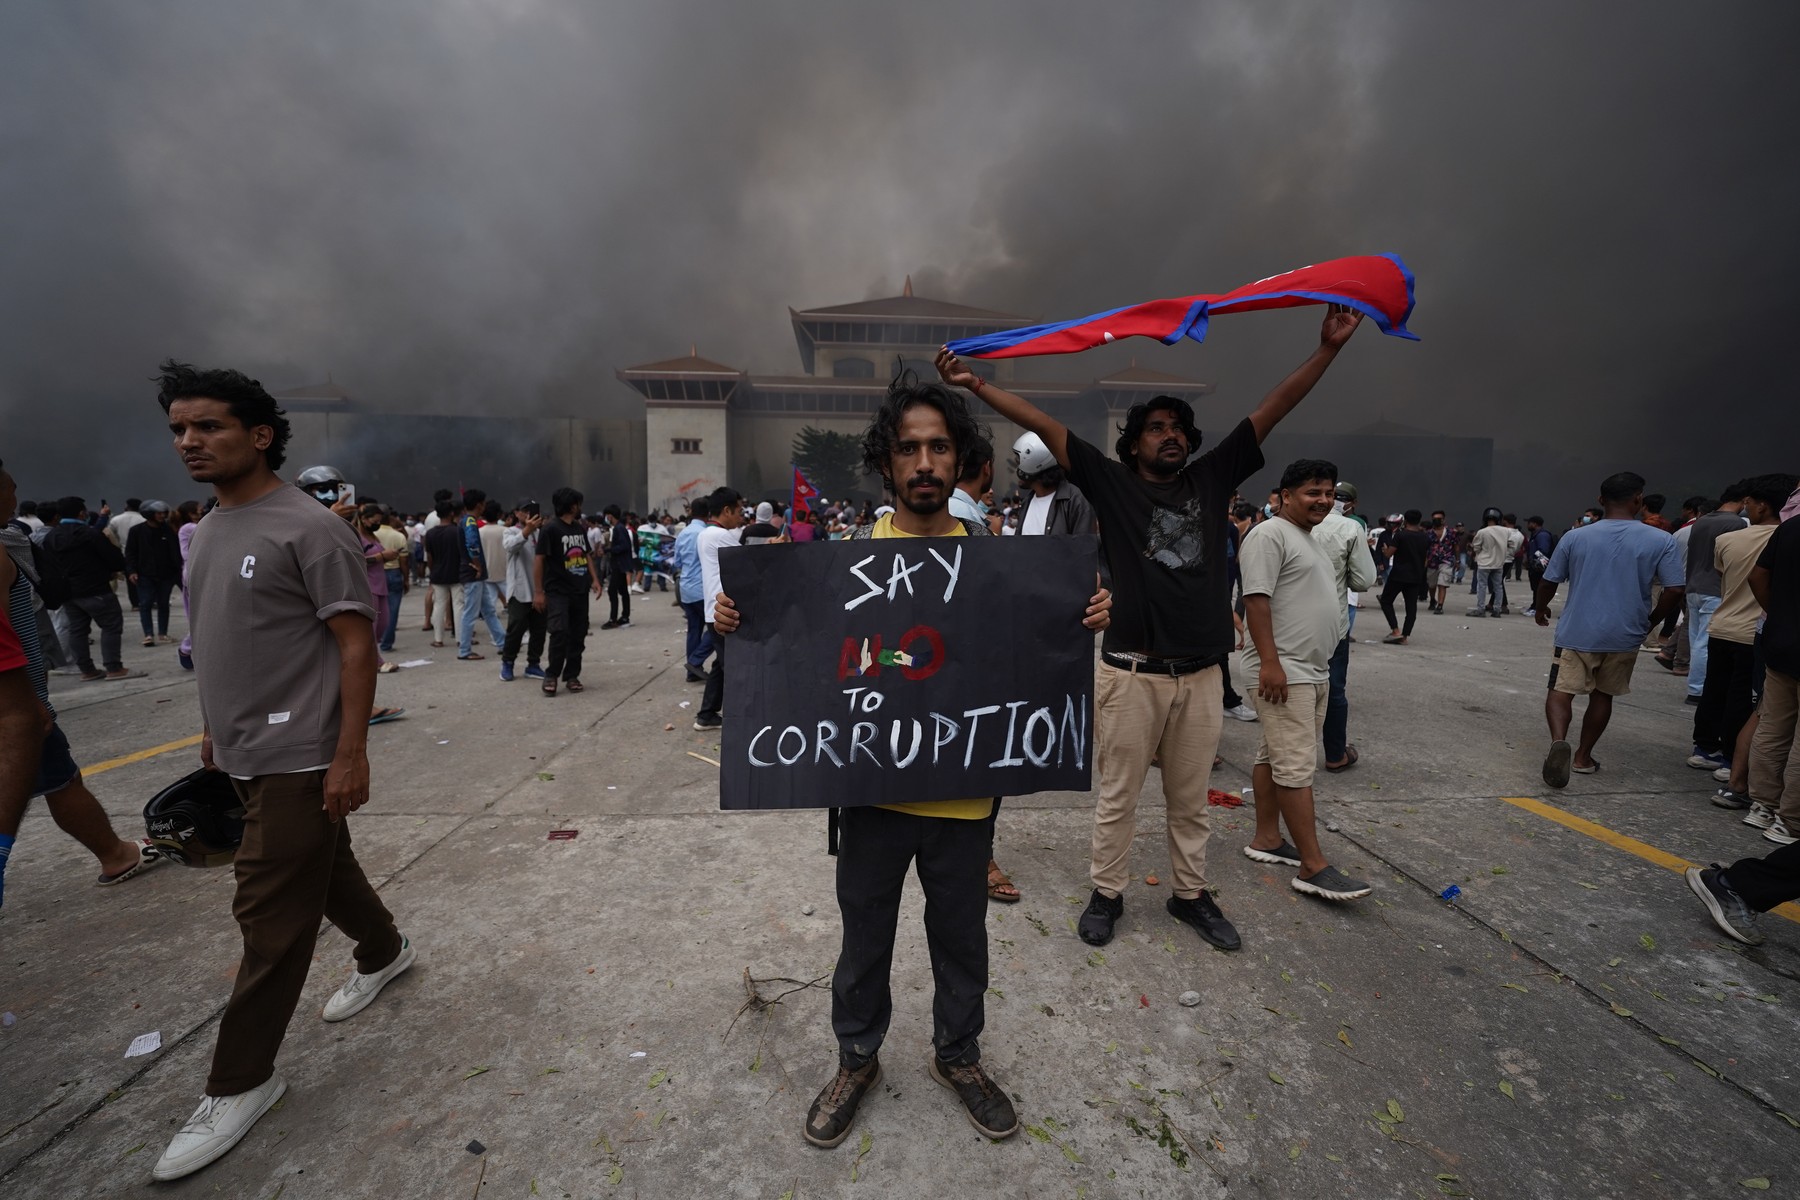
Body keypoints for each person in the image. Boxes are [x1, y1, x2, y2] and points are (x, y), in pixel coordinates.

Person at [711, 373, 1109, 1151]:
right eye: (909, 449)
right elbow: (795, 656)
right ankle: (857, 1058)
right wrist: (739, 619)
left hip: (965, 810)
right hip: (871, 800)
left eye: (938, 447)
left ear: (958, 459)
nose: (924, 461)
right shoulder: (838, 568)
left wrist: (1085, 613)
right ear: (886, 464)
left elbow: (1031, 658)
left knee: (961, 937)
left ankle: (957, 1056)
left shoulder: (1006, 571)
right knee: (865, 938)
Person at [936, 302, 1365, 952]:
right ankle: (1106, 893)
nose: (1169, 435)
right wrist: (978, 387)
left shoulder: (1214, 477)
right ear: (1132, 442)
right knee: (1119, 799)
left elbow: (1277, 404)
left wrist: (1328, 349)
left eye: (1178, 428)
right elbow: (1047, 427)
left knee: (1191, 801)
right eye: (1155, 428)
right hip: (1130, 672)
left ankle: (1190, 896)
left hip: (1199, 678)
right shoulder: (1109, 484)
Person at [154, 360, 412, 1182]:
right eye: (179, 429)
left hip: (301, 755)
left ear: (259, 435)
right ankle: (385, 952)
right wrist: (211, 726)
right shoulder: (209, 524)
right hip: (238, 751)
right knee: (325, 870)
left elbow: (354, 644)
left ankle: (241, 1081)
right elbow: (231, 639)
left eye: (209, 426)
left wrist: (350, 752)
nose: (190, 442)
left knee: (268, 910)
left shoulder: (310, 527)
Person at [0, 460, 163, 907]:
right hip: (16, 704)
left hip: (19, 700)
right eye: (10, 488)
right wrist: (30, 705)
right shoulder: (3, 548)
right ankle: (116, 855)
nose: (15, 497)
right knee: (60, 780)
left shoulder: (19, 538)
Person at [1239, 459, 1371, 899]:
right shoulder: (1268, 534)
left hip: (1309, 669)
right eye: (1313, 492)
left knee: (1272, 755)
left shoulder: (1308, 537)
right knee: (1296, 768)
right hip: (1284, 671)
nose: (1324, 500)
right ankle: (1313, 866)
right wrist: (1271, 664)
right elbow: (1256, 601)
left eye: (1329, 493)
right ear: (1284, 496)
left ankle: (1267, 839)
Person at [1534, 472, 1684, 787]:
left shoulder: (1576, 537)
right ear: (1639, 500)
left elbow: (1549, 580)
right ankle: (1583, 758)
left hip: (1577, 631)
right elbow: (1674, 590)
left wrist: (1542, 607)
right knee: (1603, 696)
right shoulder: (1661, 539)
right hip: (1625, 634)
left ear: (1601, 501)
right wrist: (1652, 621)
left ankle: (1558, 741)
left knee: (1561, 691)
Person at [1691, 475, 1796, 785]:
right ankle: (1729, 759)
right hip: (1752, 631)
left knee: (1714, 689)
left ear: (1763, 506)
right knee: (1744, 698)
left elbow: (1724, 574)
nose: (1745, 508)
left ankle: (1703, 747)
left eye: (1748, 503)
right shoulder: (1785, 537)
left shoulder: (1727, 540)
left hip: (1722, 624)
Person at [1742, 507, 1800, 841]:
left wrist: (1777, 614)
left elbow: (1757, 576)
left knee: (1773, 725)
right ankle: (1791, 820)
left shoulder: (1791, 528)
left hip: (1780, 643)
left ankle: (1762, 806)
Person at [1314, 483, 1378, 772]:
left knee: (1291, 689)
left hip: (1287, 629)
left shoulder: (1278, 526)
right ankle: (1335, 755)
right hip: (1332, 627)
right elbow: (1364, 580)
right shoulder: (1351, 528)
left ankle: (1286, 756)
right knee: (1334, 691)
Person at [42, 497, 137, 680]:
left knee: (77, 631)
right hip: (97, 590)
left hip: (69, 593)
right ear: (81, 513)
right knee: (111, 626)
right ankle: (114, 668)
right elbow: (114, 559)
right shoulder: (89, 534)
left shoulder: (51, 537)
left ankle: (87, 670)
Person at [1681, 482, 1750, 704]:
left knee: (1696, 641)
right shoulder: (1737, 523)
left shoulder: (1702, 522)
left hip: (1693, 587)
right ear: (1744, 501)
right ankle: (1698, 690)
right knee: (1705, 642)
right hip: (1715, 589)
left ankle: (1695, 686)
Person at [532, 488, 602, 696]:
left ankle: (572, 675)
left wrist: (595, 580)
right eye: (578, 503)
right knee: (559, 631)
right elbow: (539, 560)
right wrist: (538, 591)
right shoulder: (550, 529)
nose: (580, 507)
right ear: (571, 505)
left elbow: (586, 554)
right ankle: (552, 674)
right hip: (557, 591)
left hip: (579, 590)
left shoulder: (579, 528)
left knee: (578, 635)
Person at [692, 487, 744, 730]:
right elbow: (747, 565)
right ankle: (741, 718)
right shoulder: (720, 536)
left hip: (713, 609)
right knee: (734, 667)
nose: (741, 516)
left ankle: (707, 714)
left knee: (721, 666)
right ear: (726, 510)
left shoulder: (705, 533)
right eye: (739, 511)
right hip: (722, 610)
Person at [500, 499, 547, 682]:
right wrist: (527, 530)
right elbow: (510, 546)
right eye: (524, 511)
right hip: (520, 590)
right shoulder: (510, 531)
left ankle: (533, 664)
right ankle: (507, 663)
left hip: (539, 590)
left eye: (532, 511)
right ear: (516, 513)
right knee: (516, 628)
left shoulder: (542, 534)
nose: (528, 514)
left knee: (539, 630)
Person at [125, 500, 182, 646]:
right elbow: (130, 553)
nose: (162, 516)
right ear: (149, 514)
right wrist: (131, 571)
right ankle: (148, 634)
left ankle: (162, 634)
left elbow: (175, 551)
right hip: (144, 574)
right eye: (158, 513)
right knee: (145, 604)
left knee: (163, 604)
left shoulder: (168, 530)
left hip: (166, 574)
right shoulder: (136, 531)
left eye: (164, 513)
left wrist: (178, 571)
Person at [456, 489, 504, 660]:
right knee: (470, 612)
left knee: (489, 610)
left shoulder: (465, 520)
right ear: (478, 504)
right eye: (483, 503)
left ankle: (502, 642)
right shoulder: (470, 522)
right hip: (473, 574)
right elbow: (472, 544)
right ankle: (464, 650)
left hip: (475, 574)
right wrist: (477, 565)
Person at [673, 495, 714, 683]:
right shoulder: (706, 533)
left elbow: (677, 562)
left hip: (685, 588)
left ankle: (692, 671)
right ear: (708, 513)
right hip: (701, 587)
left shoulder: (683, 532)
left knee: (694, 630)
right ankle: (695, 661)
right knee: (716, 629)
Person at [1378, 509, 1431, 644]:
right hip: (1415, 576)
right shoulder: (1425, 537)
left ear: (1405, 521)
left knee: (1386, 601)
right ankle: (1405, 636)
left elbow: (1389, 554)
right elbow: (1426, 558)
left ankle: (1395, 630)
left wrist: (1384, 550)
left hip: (1398, 575)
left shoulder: (1401, 535)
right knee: (1411, 607)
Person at [422, 501, 462, 649]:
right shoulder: (457, 531)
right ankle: (460, 638)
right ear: (452, 513)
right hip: (456, 573)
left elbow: (430, 556)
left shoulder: (430, 534)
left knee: (439, 604)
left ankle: (438, 639)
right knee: (458, 606)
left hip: (438, 573)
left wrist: (432, 572)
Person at [374, 508, 408, 654]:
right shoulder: (398, 536)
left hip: (374, 574)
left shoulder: (370, 535)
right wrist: (406, 579)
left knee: (375, 609)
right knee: (392, 611)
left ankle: (374, 640)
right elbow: (404, 561)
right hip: (394, 573)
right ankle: (387, 643)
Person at [1466, 509, 1510, 617]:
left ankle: (1481, 609)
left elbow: (1476, 546)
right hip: (1499, 563)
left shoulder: (1482, 532)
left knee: (1482, 586)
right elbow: (1512, 544)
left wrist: (1479, 554)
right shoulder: (1506, 531)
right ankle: (1497, 610)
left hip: (1484, 563)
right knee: (1498, 587)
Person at [600, 505, 634, 629]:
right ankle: (625, 616)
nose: (606, 518)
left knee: (612, 590)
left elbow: (624, 546)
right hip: (620, 564)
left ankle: (613, 618)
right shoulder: (619, 528)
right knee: (623, 591)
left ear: (611, 515)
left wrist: (609, 549)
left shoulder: (619, 529)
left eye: (607, 515)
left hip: (619, 565)